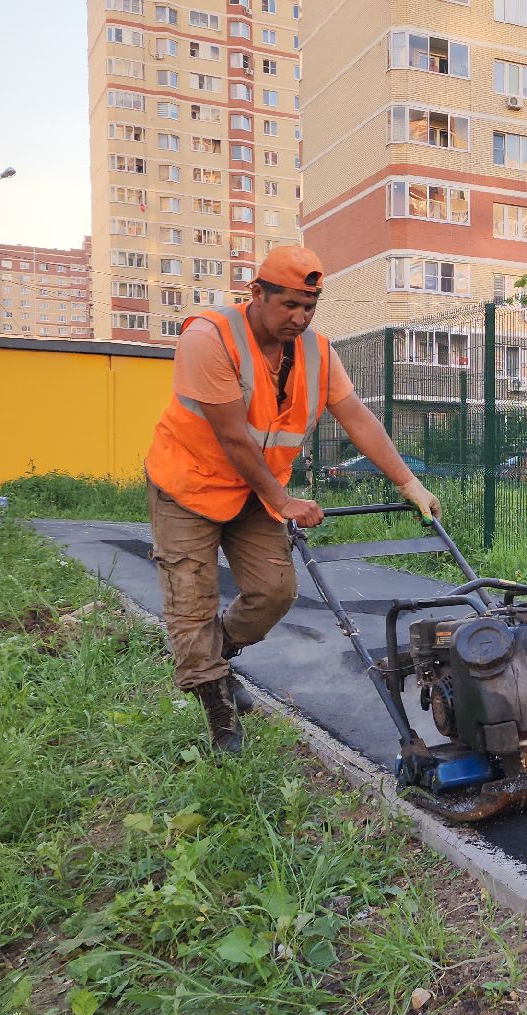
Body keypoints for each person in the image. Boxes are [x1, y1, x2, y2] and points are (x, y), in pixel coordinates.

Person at [145, 246, 440, 752]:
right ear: (257, 293)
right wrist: (284, 501)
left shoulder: (317, 352)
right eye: (289, 305)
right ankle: (219, 714)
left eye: (309, 307)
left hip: (254, 492)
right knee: (191, 602)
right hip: (189, 485)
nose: (300, 318)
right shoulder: (208, 338)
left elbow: (357, 417)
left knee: (275, 592)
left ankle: (213, 656)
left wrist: (408, 483)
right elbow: (234, 437)